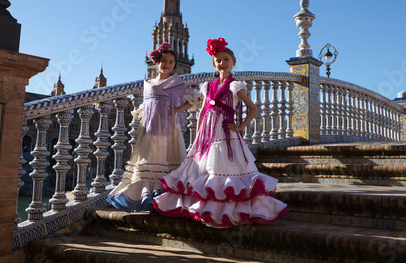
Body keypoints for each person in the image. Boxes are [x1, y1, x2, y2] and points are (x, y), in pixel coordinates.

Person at [153, 37, 289, 228]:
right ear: (213, 63)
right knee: (202, 170)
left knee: (225, 171)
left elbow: (253, 109)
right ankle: (201, 207)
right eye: (218, 60)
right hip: (207, 136)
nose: (222, 63)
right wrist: (198, 136)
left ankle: (226, 211)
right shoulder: (207, 86)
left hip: (226, 136)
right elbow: (202, 112)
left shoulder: (235, 86)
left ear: (233, 62)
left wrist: (240, 127)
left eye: (226, 59)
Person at [107, 42, 200, 212]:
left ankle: (164, 196)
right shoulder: (148, 83)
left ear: (174, 66)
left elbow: (195, 98)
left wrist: (178, 109)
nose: (167, 65)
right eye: (164, 61)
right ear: (157, 62)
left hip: (168, 129)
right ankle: (146, 195)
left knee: (166, 158)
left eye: (171, 62)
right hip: (149, 129)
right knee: (149, 159)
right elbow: (146, 106)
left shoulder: (175, 82)